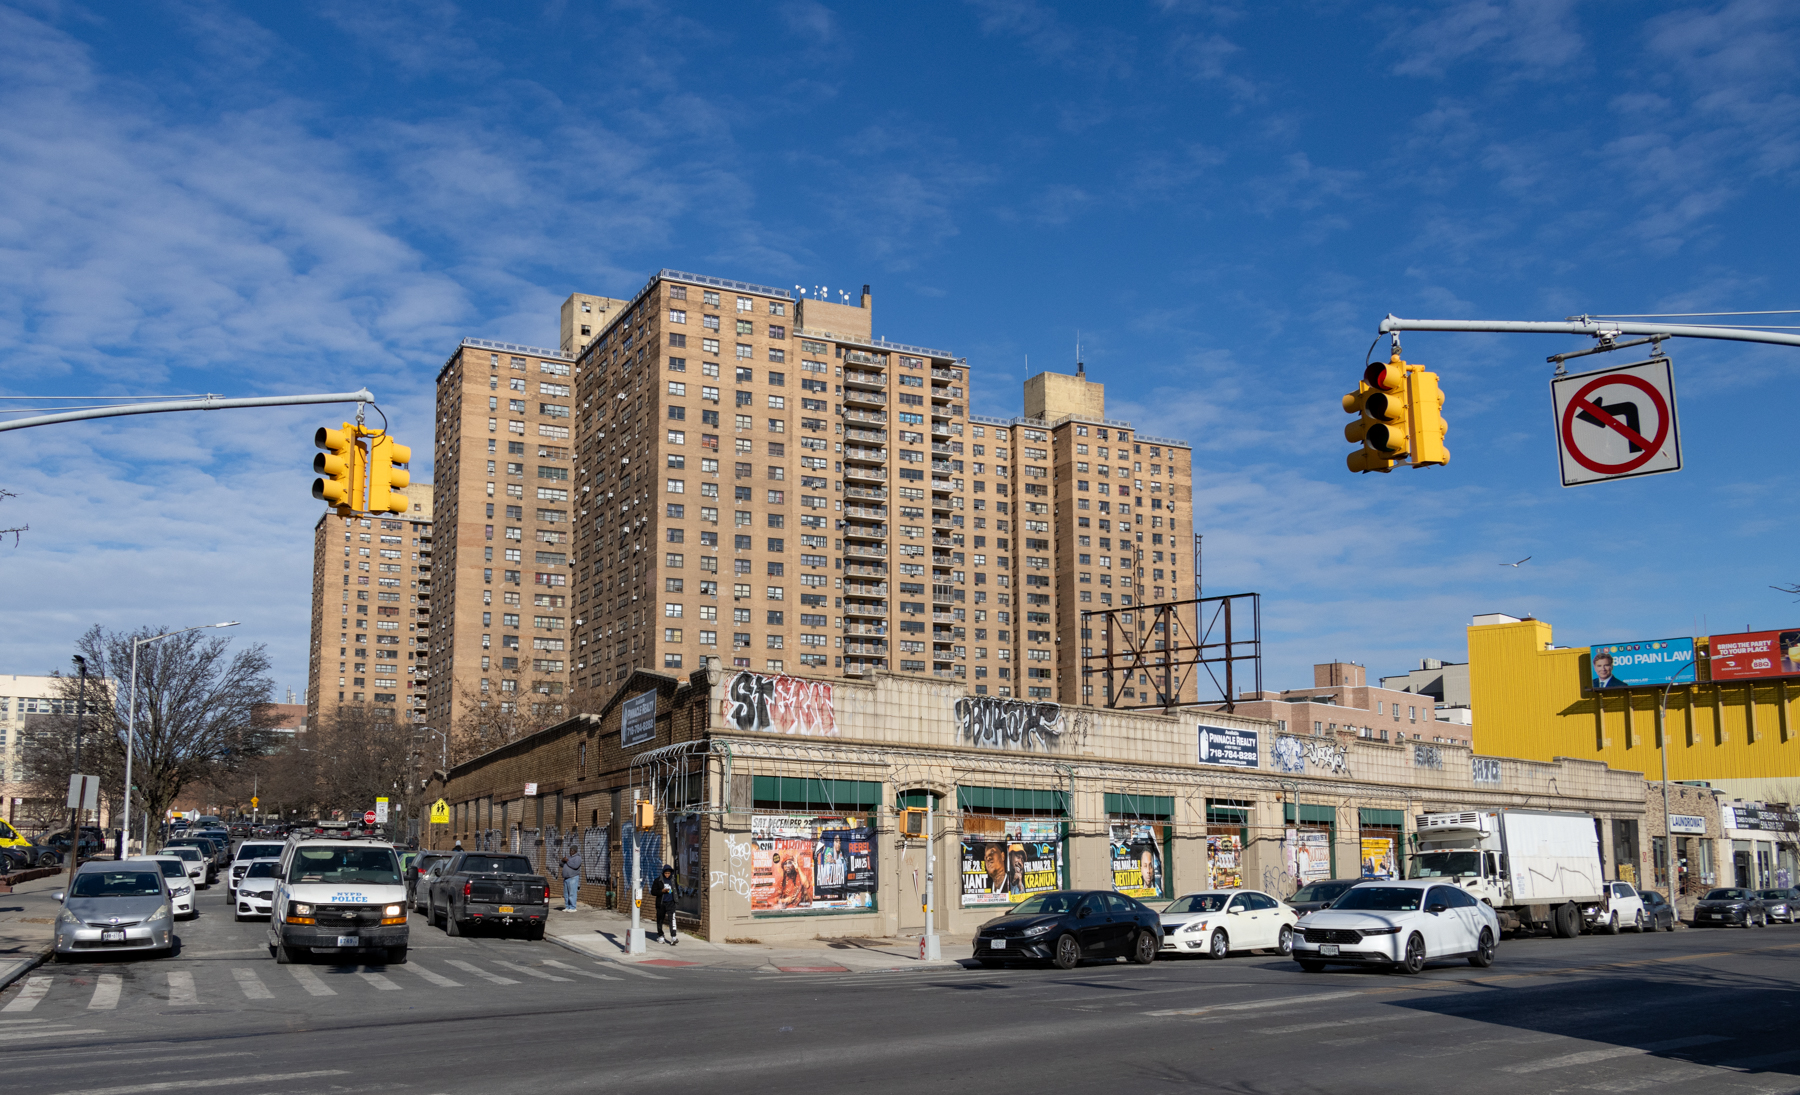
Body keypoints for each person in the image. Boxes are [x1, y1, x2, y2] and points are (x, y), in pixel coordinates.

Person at [650, 865, 678, 943]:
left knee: (672, 919)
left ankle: (673, 937)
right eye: (666, 873)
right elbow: (653, 892)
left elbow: (676, 890)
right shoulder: (658, 880)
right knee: (660, 919)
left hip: (671, 902)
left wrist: (676, 899)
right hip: (661, 903)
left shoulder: (673, 880)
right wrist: (661, 891)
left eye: (668, 873)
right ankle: (660, 935)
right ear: (663, 873)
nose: (667, 875)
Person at [560, 846, 583, 912]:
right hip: (566, 878)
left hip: (573, 877)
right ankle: (567, 906)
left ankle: (573, 907)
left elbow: (575, 866)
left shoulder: (577, 858)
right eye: (570, 850)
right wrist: (562, 860)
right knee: (566, 894)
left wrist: (567, 861)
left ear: (575, 851)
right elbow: (561, 864)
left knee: (572, 893)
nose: (571, 852)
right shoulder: (568, 857)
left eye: (572, 851)